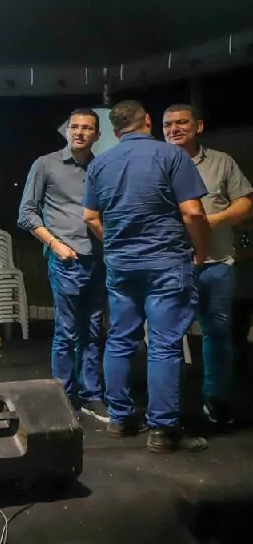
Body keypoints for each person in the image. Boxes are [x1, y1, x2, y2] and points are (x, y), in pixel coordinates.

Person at [82, 100, 209, 452]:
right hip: (166, 263)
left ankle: (120, 419)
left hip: (121, 266)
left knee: (120, 339)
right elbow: (192, 212)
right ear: (148, 120)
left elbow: (90, 217)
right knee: (164, 345)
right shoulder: (171, 156)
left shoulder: (100, 163)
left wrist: (116, 245)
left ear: (115, 130)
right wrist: (201, 251)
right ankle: (163, 430)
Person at [162, 104, 252, 427]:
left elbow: (245, 203)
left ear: (198, 126)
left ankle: (217, 401)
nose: (174, 129)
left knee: (217, 334)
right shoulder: (157, 162)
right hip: (171, 266)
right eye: (168, 124)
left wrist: (210, 222)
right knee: (168, 337)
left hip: (216, 265)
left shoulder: (221, 162)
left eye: (181, 122)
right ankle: (168, 407)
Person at [18, 108, 108, 422]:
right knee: (67, 332)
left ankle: (91, 395)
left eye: (87, 128)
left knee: (93, 331)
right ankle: (63, 396)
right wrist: (55, 245)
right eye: (75, 127)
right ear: (67, 130)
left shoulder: (102, 167)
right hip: (67, 259)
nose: (80, 132)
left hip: (99, 258)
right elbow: (26, 214)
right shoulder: (46, 164)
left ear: (97, 135)